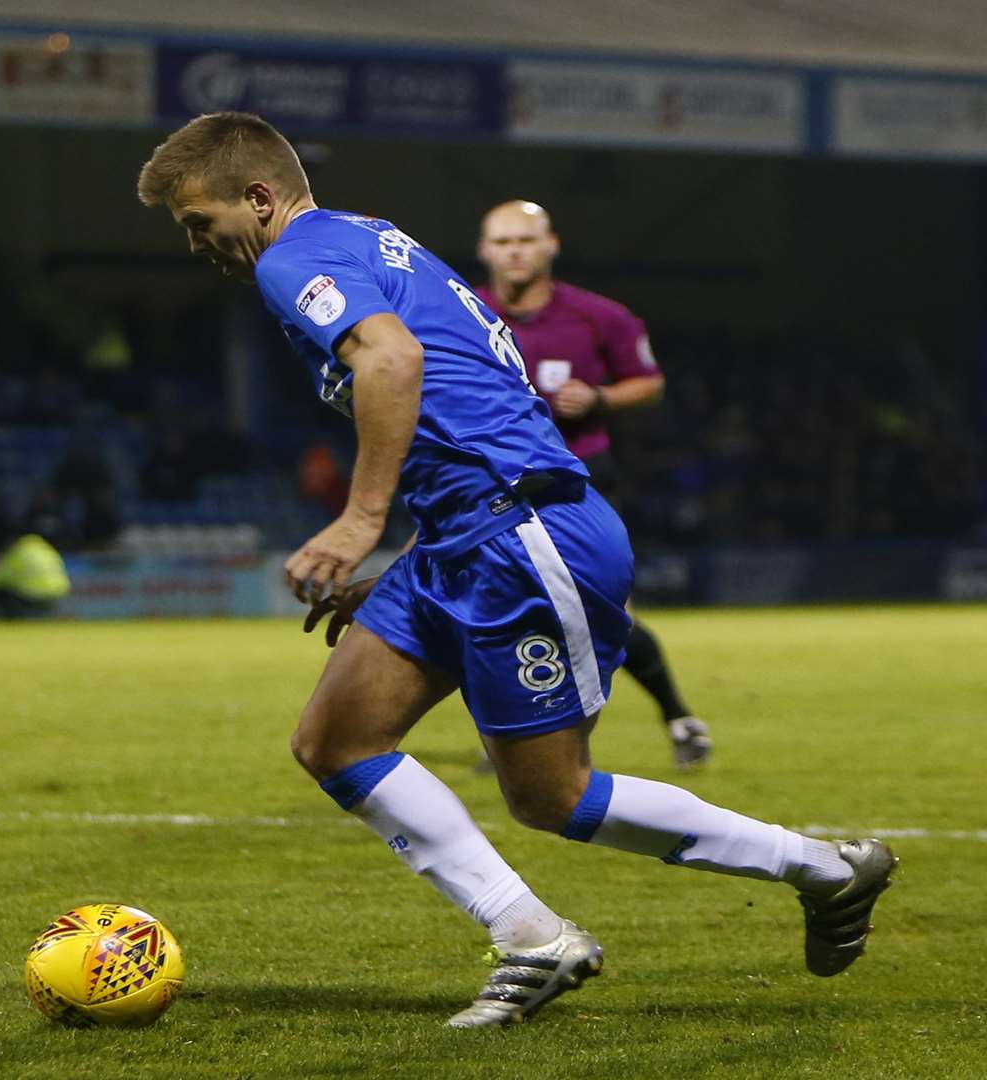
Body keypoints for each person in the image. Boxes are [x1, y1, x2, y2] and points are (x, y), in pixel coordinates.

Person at [136, 113, 894, 1028]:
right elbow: (460, 405)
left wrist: (361, 521)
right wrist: (411, 554)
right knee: (336, 740)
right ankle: (533, 938)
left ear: (257, 197)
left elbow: (394, 359)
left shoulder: (293, 257)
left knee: (551, 796)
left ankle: (826, 869)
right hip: (463, 534)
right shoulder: (371, 239)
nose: (201, 247)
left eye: (199, 223)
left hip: (526, 533)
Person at [477, 200, 711, 769]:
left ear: (550, 245)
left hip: (577, 480)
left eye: (525, 241)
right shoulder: (464, 311)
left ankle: (679, 716)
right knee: (498, 612)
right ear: (485, 251)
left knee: (607, 612)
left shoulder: (598, 317)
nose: (514, 252)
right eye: (502, 242)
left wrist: (602, 398)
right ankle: (514, 738)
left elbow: (648, 383)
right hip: (489, 484)